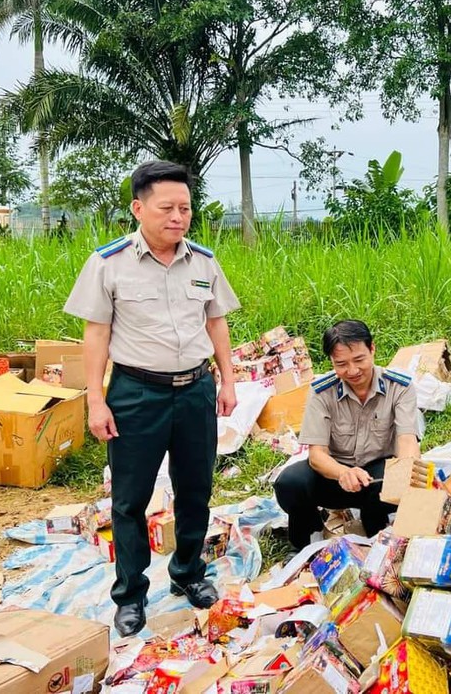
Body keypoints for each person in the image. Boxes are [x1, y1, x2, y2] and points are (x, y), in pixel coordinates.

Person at [64, 160, 239, 637]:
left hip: (196, 390)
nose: (178, 217)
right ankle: (131, 595)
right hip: (136, 393)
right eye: (167, 208)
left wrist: (227, 380)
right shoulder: (108, 263)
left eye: (185, 208)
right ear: (138, 208)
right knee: (130, 499)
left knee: (196, 489)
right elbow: (95, 335)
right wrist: (95, 402)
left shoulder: (203, 261)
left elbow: (216, 321)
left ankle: (188, 574)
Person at [273, 320, 420, 549]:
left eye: (359, 360)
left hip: (378, 476)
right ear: (331, 361)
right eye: (341, 364)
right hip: (336, 475)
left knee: (387, 484)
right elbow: (317, 456)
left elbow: (407, 441)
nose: (352, 371)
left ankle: (379, 542)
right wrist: (343, 473)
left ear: (372, 349)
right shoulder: (321, 391)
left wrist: (405, 475)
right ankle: (307, 541)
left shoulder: (399, 387)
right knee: (290, 483)